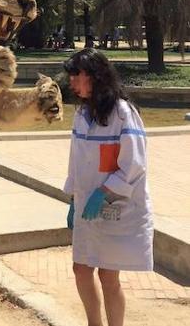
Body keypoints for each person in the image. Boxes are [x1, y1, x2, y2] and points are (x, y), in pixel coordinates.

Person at [63, 48, 153, 326]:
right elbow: (77, 161)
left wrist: (104, 193)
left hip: (117, 208)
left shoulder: (123, 113)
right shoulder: (82, 114)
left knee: (107, 275)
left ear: (95, 77)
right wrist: (74, 197)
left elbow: (134, 164)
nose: (72, 83)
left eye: (77, 77)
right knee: (80, 269)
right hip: (87, 207)